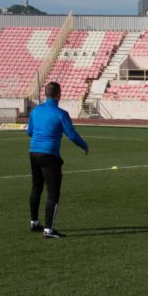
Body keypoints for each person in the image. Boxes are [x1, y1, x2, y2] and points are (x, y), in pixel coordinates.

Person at [27, 82, 88, 238]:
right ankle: (48, 230)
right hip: (49, 154)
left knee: (36, 187)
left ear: (46, 94)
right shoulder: (61, 114)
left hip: (33, 152)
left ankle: (34, 222)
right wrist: (84, 145)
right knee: (53, 192)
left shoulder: (35, 111)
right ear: (59, 95)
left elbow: (30, 132)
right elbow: (72, 135)